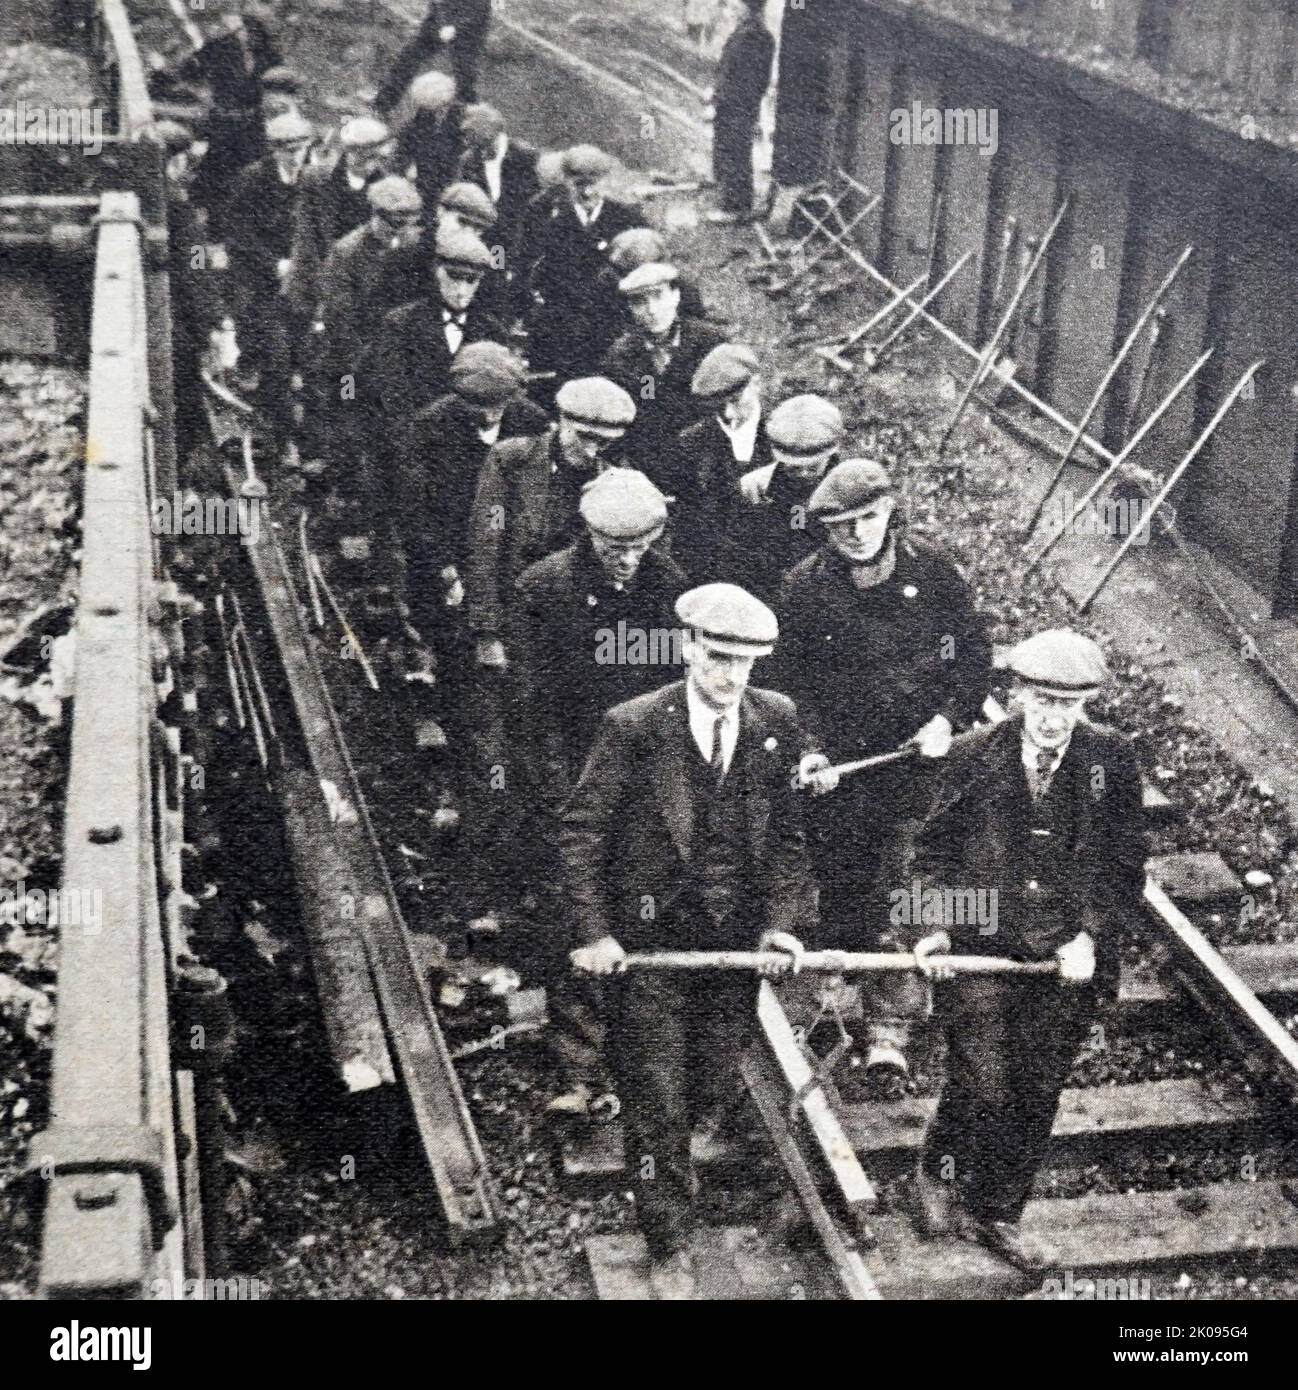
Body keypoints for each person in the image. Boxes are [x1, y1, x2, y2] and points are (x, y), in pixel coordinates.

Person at [560, 582, 820, 1299]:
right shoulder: (634, 726)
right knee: (657, 1100)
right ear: (685, 649)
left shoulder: (777, 721)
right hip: (651, 951)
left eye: (746, 662)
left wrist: (781, 923)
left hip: (731, 948)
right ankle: (669, 1239)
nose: (731, 676)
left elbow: (790, 838)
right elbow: (581, 835)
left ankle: (689, 1161)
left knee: (709, 1080)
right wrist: (595, 933)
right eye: (717, 658)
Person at [908, 629, 1145, 1274]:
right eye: (1039, 702)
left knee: (1035, 1090)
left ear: (1085, 706)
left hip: (1063, 961)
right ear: (1016, 695)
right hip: (982, 948)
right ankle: (937, 1170)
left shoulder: (1111, 762)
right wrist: (933, 926)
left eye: (1065, 707)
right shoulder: (971, 754)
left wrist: (1091, 935)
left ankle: (996, 1212)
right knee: (984, 1080)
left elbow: (1125, 865)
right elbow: (926, 853)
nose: (1049, 719)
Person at [773, 459, 991, 1092]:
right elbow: (788, 684)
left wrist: (949, 718)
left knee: (908, 879)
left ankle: (891, 1028)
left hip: (917, 764)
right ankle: (823, 996)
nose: (859, 534)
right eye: (843, 526)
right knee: (836, 875)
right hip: (841, 768)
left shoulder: (934, 574)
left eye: (868, 518)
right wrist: (810, 750)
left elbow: (971, 656)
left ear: (891, 510)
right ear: (826, 531)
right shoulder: (805, 588)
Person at [515, 470, 687, 1116]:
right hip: (573, 767)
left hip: (646, 778)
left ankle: (649, 1055)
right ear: (589, 535)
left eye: (640, 544)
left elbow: (677, 688)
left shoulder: (670, 589)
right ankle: (580, 1068)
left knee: (646, 906)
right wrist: (561, 795)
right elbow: (529, 707)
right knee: (577, 914)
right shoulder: (545, 588)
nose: (627, 557)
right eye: (615, 546)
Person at [465, 376, 637, 669]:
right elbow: (486, 542)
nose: (593, 450)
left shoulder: (617, 479)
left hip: (577, 624)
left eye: (604, 442)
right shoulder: (510, 461)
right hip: (515, 615)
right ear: (562, 421)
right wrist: (487, 631)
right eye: (585, 437)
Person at [225, 111, 315, 451]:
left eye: (300, 150)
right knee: (273, 349)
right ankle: (279, 430)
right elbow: (238, 236)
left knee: (306, 351)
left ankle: (299, 423)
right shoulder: (251, 180)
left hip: (301, 277)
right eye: (286, 151)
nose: (294, 158)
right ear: (274, 151)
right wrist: (273, 264)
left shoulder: (314, 180)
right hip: (260, 276)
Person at [518, 146, 645, 382]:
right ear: (566, 182)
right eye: (579, 184)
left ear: (606, 181)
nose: (587, 192)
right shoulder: (543, 216)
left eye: (593, 183)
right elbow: (525, 268)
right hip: (560, 327)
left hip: (612, 324)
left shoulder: (627, 217)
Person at [601, 262, 726, 474]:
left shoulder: (710, 343)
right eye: (639, 302)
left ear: (675, 296)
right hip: (652, 464)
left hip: (710, 458)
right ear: (630, 309)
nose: (651, 310)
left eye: (658, 296)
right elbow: (623, 417)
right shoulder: (621, 356)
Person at [174, 1, 283, 239]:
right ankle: (212, 236)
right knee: (216, 178)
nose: (258, 39)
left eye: (263, 35)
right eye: (254, 31)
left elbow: (278, 85)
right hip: (223, 126)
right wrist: (205, 97)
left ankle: (246, 232)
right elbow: (187, 72)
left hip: (252, 127)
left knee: (254, 177)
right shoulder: (220, 46)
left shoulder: (269, 55)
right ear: (245, 26)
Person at [661, 343, 769, 583]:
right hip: (714, 573)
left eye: (735, 400)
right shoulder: (691, 443)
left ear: (757, 384)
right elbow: (686, 525)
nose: (728, 414)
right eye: (718, 406)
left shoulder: (782, 434)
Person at [734, 392, 844, 600]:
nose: (802, 474)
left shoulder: (852, 487)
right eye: (793, 468)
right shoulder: (754, 487)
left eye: (812, 467)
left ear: (832, 452)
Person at [287, 116, 395, 324]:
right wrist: (321, 283)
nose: (371, 165)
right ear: (350, 153)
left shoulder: (386, 187)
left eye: (377, 159)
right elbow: (306, 237)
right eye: (365, 158)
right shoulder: (315, 179)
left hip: (357, 283)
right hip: (312, 276)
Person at [704, 0, 775, 223]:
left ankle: (735, 207)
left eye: (738, 6)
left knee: (735, 154)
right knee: (729, 151)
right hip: (733, 103)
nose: (734, 9)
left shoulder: (754, 36)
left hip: (738, 104)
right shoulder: (749, 32)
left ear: (750, 8)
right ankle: (730, 200)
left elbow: (747, 77)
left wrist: (725, 97)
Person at [455, 103, 540, 274]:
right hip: (489, 239)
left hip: (522, 238)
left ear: (487, 133)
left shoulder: (526, 156)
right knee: (493, 276)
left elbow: (537, 199)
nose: (465, 140)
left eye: (469, 134)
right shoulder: (468, 161)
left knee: (508, 281)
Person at [375, 0, 493, 112]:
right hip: (440, 14)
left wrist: (457, 27)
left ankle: (467, 119)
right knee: (409, 55)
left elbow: (480, 7)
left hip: (468, 24)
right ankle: (383, 103)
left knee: (464, 75)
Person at [396, 70, 464, 209]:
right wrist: (408, 168)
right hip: (425, 183)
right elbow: (403, 152)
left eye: (443, 106)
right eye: (432, 109)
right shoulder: (417, 123)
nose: (439, 112)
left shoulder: (463, 119)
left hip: (452, 181)